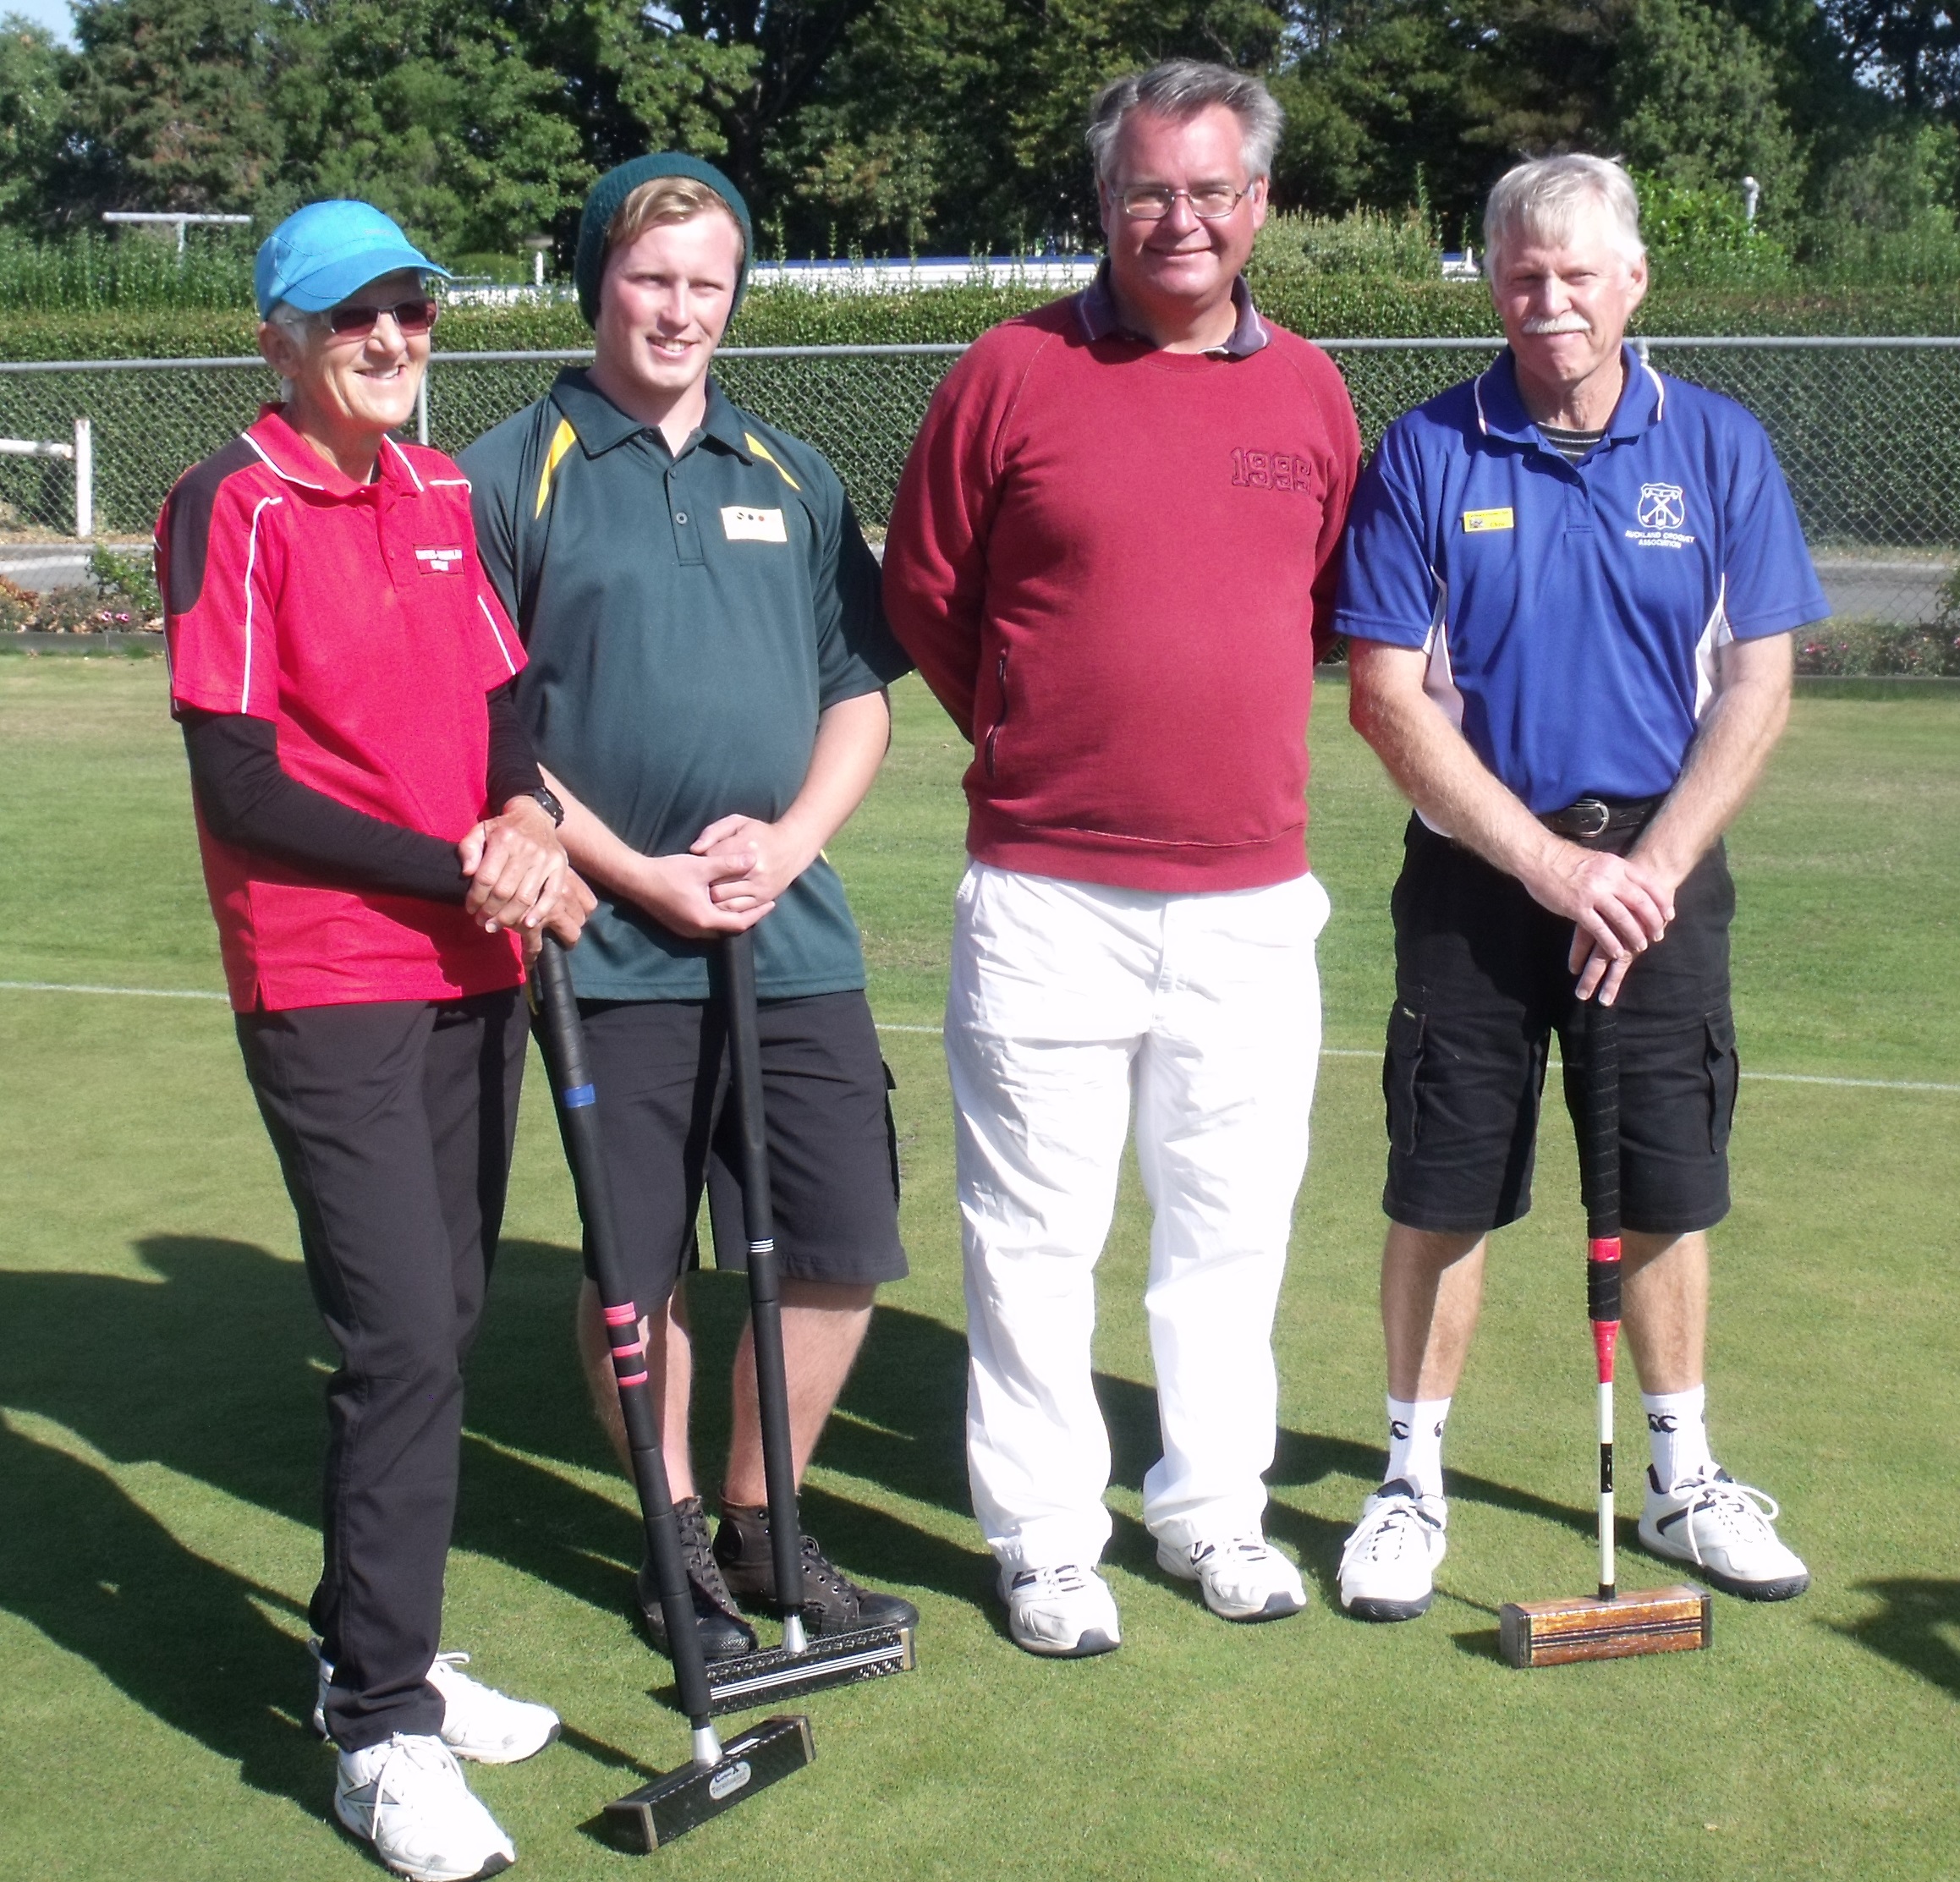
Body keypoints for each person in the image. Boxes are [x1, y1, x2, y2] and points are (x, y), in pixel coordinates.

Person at [881, 62, 1362, 1657]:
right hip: (1045, 894)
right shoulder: (1007, 371)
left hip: (1248, 899)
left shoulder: (1310, 392)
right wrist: (1030, 730)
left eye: (1210, 190)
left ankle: (1211, 1506)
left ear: (1258, 206)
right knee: (1032, 1239)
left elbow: (1315, 602)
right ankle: (1043, 1539)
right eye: (1148, 188)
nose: (1179, 218)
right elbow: (927, 591)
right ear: (1103, 202)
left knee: (1228, 1232)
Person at [157, 200, 594, 1881]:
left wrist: (522, 816)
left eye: (411, 309)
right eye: (354, 317)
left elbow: (504, 708)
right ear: (280, 338)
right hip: (329, 970)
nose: (392, 339)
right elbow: (241, 786)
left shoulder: (439, 492)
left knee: (447, 1319)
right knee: (402, 1335)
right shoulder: (236, 501)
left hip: (471, 966)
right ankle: (378, 1729)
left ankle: (373, 1643)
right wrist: (464, 860)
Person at [1331, 153, 1820, 1624]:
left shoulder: (1717, 445)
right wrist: (1549, 866)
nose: (1550, 301)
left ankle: (1679, 1476)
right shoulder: (1425, 450)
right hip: (1480, 874)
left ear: (1634, 282)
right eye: (1522, 275)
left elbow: (1757, 681)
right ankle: (1409, 1481)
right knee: (1445, 1185)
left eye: (1577, 273)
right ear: (1493, 286)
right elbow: (1384, 697)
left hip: (1656, 879)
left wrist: (1644, 870)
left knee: (1663, 1181)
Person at [461, 156, 919, 1664]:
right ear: (597, 280)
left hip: (791, 929)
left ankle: (761, 1521)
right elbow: (487, 730)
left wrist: (788, 843)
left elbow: (857, 696)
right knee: (635, 1265)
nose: (677, 309)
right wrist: (631, 871)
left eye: (705, 282)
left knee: (838, 1243)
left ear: (734, 296)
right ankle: (672, 1545)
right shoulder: (506, 473)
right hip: (607, 944)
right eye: (649, 277)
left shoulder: (790, 472)